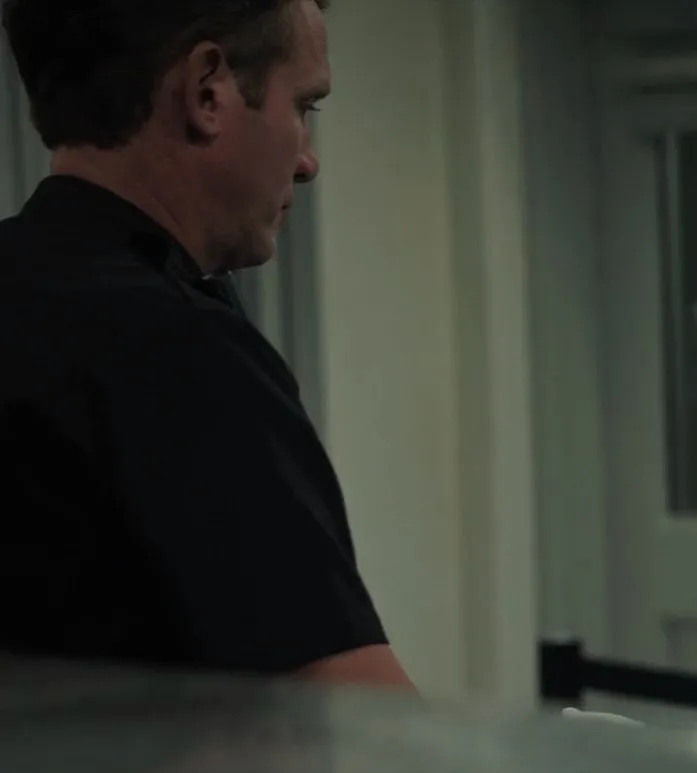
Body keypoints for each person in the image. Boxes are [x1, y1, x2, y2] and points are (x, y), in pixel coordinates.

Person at [0, 0, 413, 689]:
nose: (308, 161)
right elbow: (356, 716)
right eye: (303, 106)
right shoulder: (177, 356)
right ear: (208, 92)